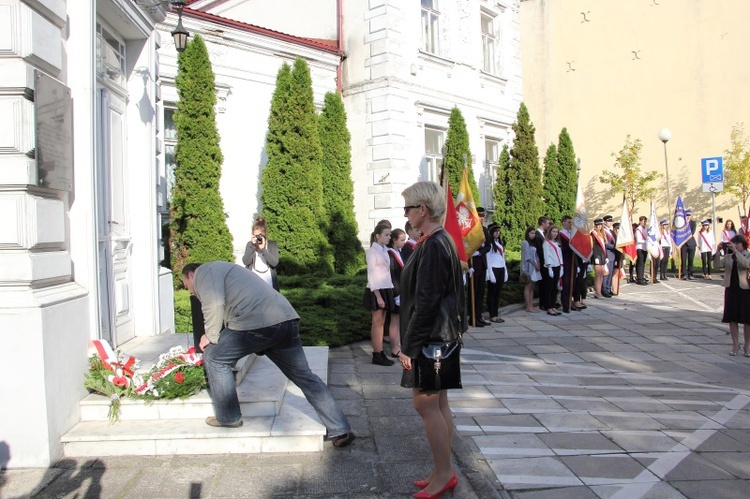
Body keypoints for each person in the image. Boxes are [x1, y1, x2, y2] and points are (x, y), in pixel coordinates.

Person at [181, 262, 355, 446]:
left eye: (187, 287)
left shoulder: (204, 272)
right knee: (305, 376)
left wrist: (210, 335)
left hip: (258, 324)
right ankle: (340, 429)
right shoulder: (225, 271)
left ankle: (228, 417)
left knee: (214, 358)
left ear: (191, 274)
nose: (191, 292)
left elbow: (214, 302)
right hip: (285, 320)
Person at [398, 181, 466, 498]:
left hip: (432, 340)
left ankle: (445, 474)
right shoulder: (436, 241)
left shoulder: (435, 245)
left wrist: (409, 347)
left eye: (408, 208)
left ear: (422, 210)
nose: (406, 214)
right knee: (438, 404)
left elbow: (426, 302)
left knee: (425, 405)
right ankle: (441, 471)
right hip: (441, 336)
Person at [364, 222, 397, 366]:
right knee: (377, 322)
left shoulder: (384, 250)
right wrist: (378, 296)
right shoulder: (372, 251)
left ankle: (380, 352)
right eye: (386, 235)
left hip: (385, 287)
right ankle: (377, 354)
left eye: (390, 234)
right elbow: (371, 275)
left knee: (382, 322)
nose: (389, 237)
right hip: (376, 289)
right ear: (378, 235)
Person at [721, 235, 750, 356]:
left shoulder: (747, 255)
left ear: (743, 245)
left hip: (745, 289)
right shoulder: (729, 256)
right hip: (731, 289)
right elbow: (717, 265)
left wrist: (736, 252)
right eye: (734, 243)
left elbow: (746, 264)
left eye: (738, 244)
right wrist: (718, 251)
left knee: (747, 319)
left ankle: (747, 345)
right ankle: (735, 345)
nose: (736, 246)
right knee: (732, 318)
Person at [242, 215, 279, 291]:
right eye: (255, 236)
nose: (258, 238)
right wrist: (252, 246)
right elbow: (246, 261)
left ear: (265, 235)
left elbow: (274, 263)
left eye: (260, 236)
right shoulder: (250, 245)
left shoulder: (272, 245)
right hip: (253, 283)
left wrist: (263, 249)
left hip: (269, 283)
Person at [387, 228, 406, 358]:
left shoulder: (399, 252)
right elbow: (392, 275)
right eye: (402, 240)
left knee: (399, 321)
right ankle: (394, 348)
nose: (404, 242)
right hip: (396, 292)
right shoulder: (390, 254)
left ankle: (398, 346)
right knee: (394, 321)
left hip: (401, 291)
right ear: (394, 240)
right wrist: (396, 294)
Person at [470, 207, 491, 327]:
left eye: (483, 216)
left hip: (482, 263)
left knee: (481, 292)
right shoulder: (470, 230)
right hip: (473, 265)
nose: (482, 218)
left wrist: (480, 253)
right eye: (480, 216)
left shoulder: (484, 230)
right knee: (474, 292)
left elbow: (488, 246)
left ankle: (479, 316)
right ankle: (472, 317)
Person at [486, 224, 508, 323]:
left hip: (501, 268)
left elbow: (502, 258)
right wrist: (490, 272)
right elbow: (487, 258)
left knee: (497, 293)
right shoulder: (489, 243)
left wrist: (505, 270)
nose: (497, 233)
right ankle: (492, 315)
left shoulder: (499, 243)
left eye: (498, 231)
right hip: (493, 268)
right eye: (495, 231)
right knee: (492, 293)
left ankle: (496, 313)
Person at [543, 225, 563, 315]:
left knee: (555, 288)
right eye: (553, 232)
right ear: (549, 232)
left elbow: (560, 255)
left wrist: (561, 266)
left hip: (558, 266)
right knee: (549, 288)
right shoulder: (546, 243)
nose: (555, 233)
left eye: (556, 232)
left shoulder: (557, 242)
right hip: (550, 267)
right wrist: (549, 267)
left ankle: (553, 306)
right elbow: (546, 256)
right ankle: (548, 307)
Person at [521, 227, 542, 313]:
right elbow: (527, 257)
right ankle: (528, 306)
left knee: (532, 287)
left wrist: (538, 263)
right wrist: (535, 264)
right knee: (528, 286)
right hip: (529, 267)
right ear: (527, 234)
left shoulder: (533, 243)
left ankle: (531, 305)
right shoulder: (525, 242)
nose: (533, 235)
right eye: (531, 233)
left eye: (534, 233)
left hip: (535, 267)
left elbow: (535, 255)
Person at [534, 216, 551, 310]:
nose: (548, 225)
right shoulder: (537, 235)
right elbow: (539, 250)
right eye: (547, 223)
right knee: (543, 284)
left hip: (546, 262)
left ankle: (547, 302)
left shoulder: (544, 234)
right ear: (543, 223)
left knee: (547, 283)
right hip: (541, 261)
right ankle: (543, 303)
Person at [559, 216, 575, 312]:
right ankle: (565, 304)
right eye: (569, 222)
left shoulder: (571, 234)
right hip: (565, 261)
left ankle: (570, 302)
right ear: (563, 223)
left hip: (572, 261)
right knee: (566, 283)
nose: (570, 224)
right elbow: (561, 249)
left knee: (572, 283)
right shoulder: (560, 235)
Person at [591, 218, 609, 298]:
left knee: (602, 273)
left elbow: (604, 247)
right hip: (596, 255)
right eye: (598, 225)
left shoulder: (602, 234)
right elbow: (592, 246)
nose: (599, 226)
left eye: (600, 225)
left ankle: (599, 291)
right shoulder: (593, 233)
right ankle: (597, 292)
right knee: (598, 273)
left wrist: (606, 256)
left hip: (602, 255)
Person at [602, 215, 617, 295]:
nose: (610, 223)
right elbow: (605, 244)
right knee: (606, 273)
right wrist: (615, 247)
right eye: (608, 221)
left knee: (610, 273)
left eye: (611, 221)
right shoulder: (603, 231)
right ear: (604, 222)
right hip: (607, 253)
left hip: (613, 254)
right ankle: (604, 289)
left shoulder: (611, 232)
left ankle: (608, 288)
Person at [681, 209, 698, 279]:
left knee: (691, 259)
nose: (688, 217)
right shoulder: (681, 223)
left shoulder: (693, 223)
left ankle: (690, 273)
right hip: (683, 244)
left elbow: (692, 232)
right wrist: (685, 224)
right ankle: (684, 273)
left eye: (689, 215)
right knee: (683, 260)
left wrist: (687, 225)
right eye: (686, 215)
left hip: (691, 243)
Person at [634, 215, 649, 285]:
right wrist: (647, 241)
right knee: (640, 264)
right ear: (640, 221)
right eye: (643, 221)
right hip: (640, 248)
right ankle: (639, 278)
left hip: (644, 248)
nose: (645, 222)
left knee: (643, 263)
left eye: (645, 221)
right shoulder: (638, 229)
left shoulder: (645, 229)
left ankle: (641, 276)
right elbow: (639, 240)